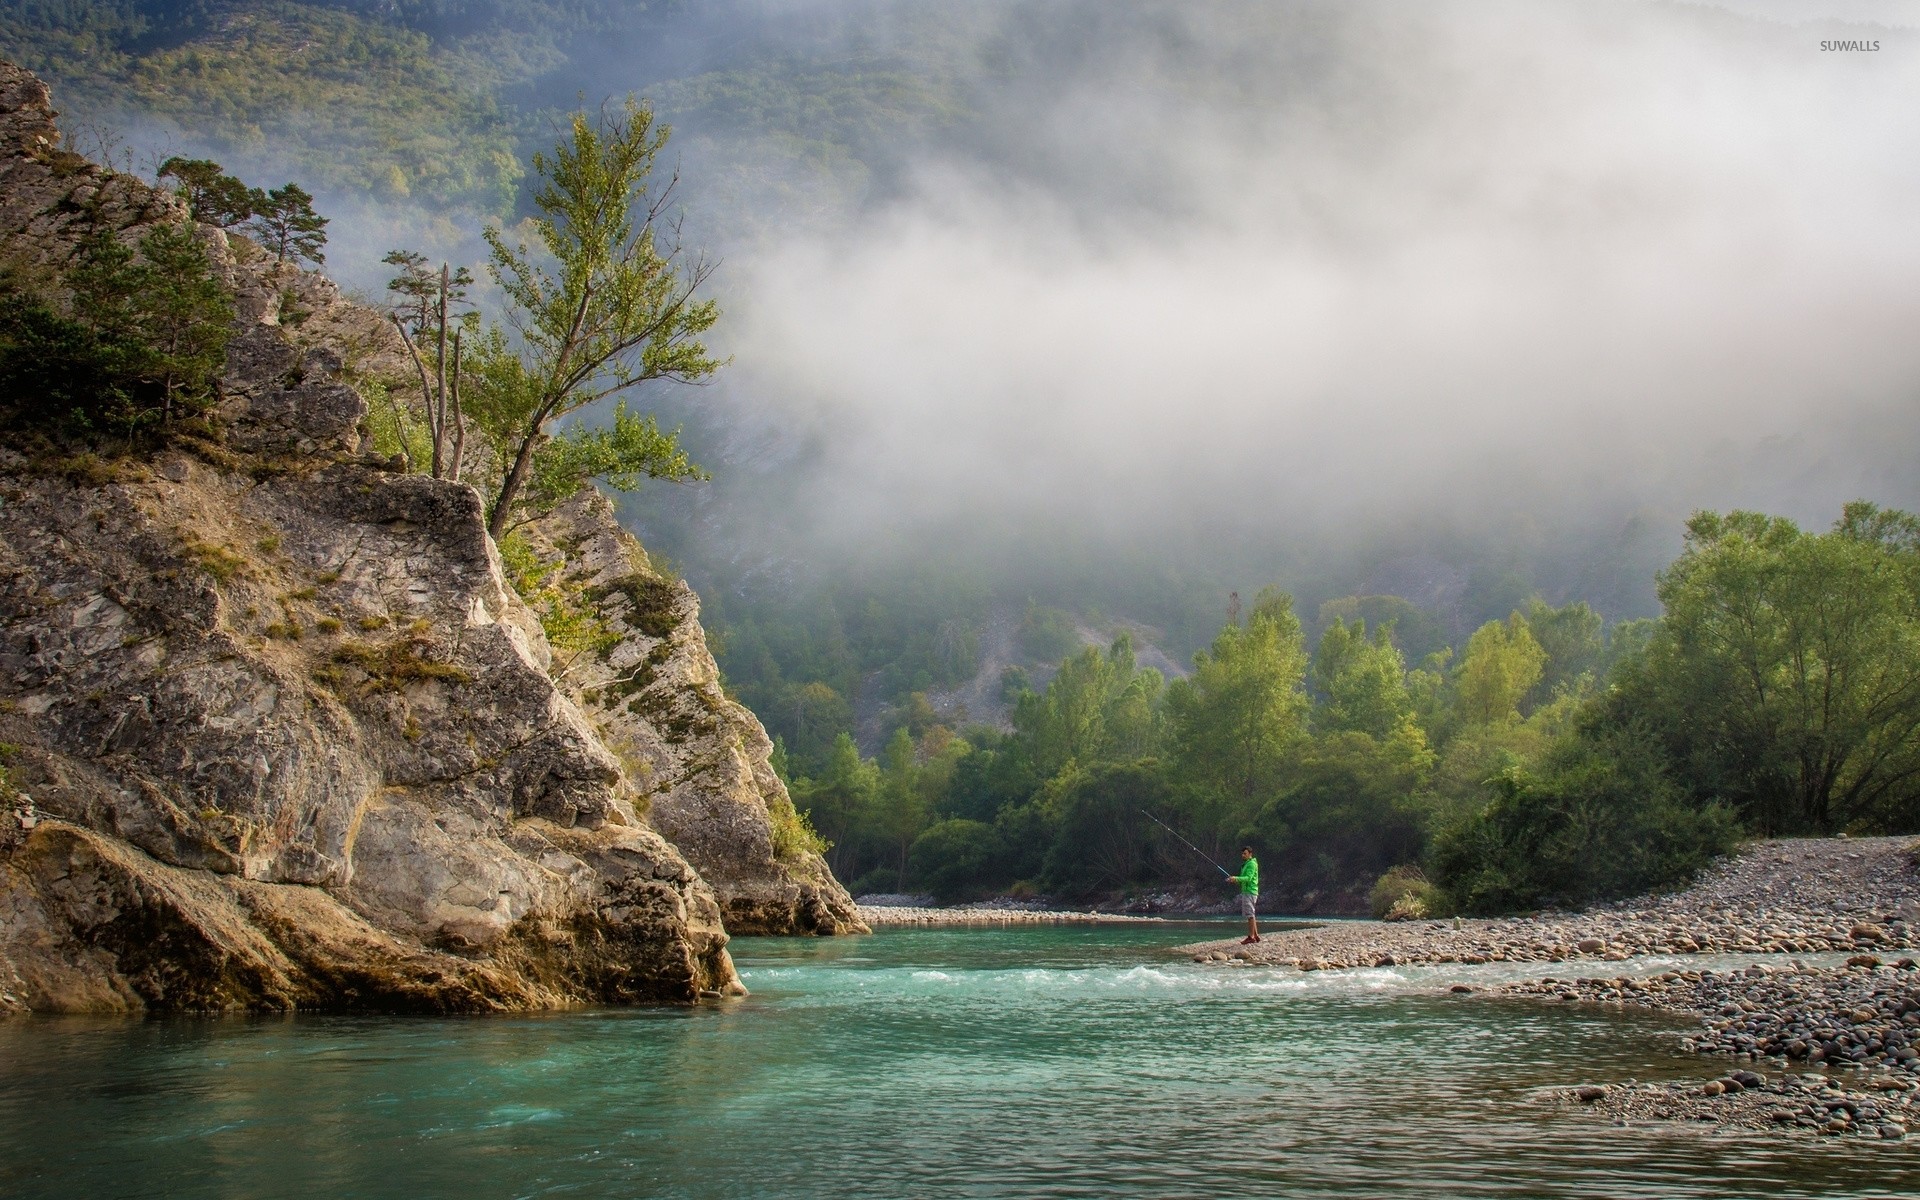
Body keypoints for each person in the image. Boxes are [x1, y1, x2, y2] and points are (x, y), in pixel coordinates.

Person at [1231, 847, 1259, 943]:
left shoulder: (1251, 864)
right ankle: (1255, 935)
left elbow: (1248, 878)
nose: (1243, 855)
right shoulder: (1247, 864)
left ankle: (1251, 937)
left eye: (1245, 853)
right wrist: (1235, 880)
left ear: (1250, 854)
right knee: (1252, 914)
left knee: (1250, 915)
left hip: (1249, 892)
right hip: (1248, 891)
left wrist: (1236, 878)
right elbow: (1243, 879)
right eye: (1242, 853)